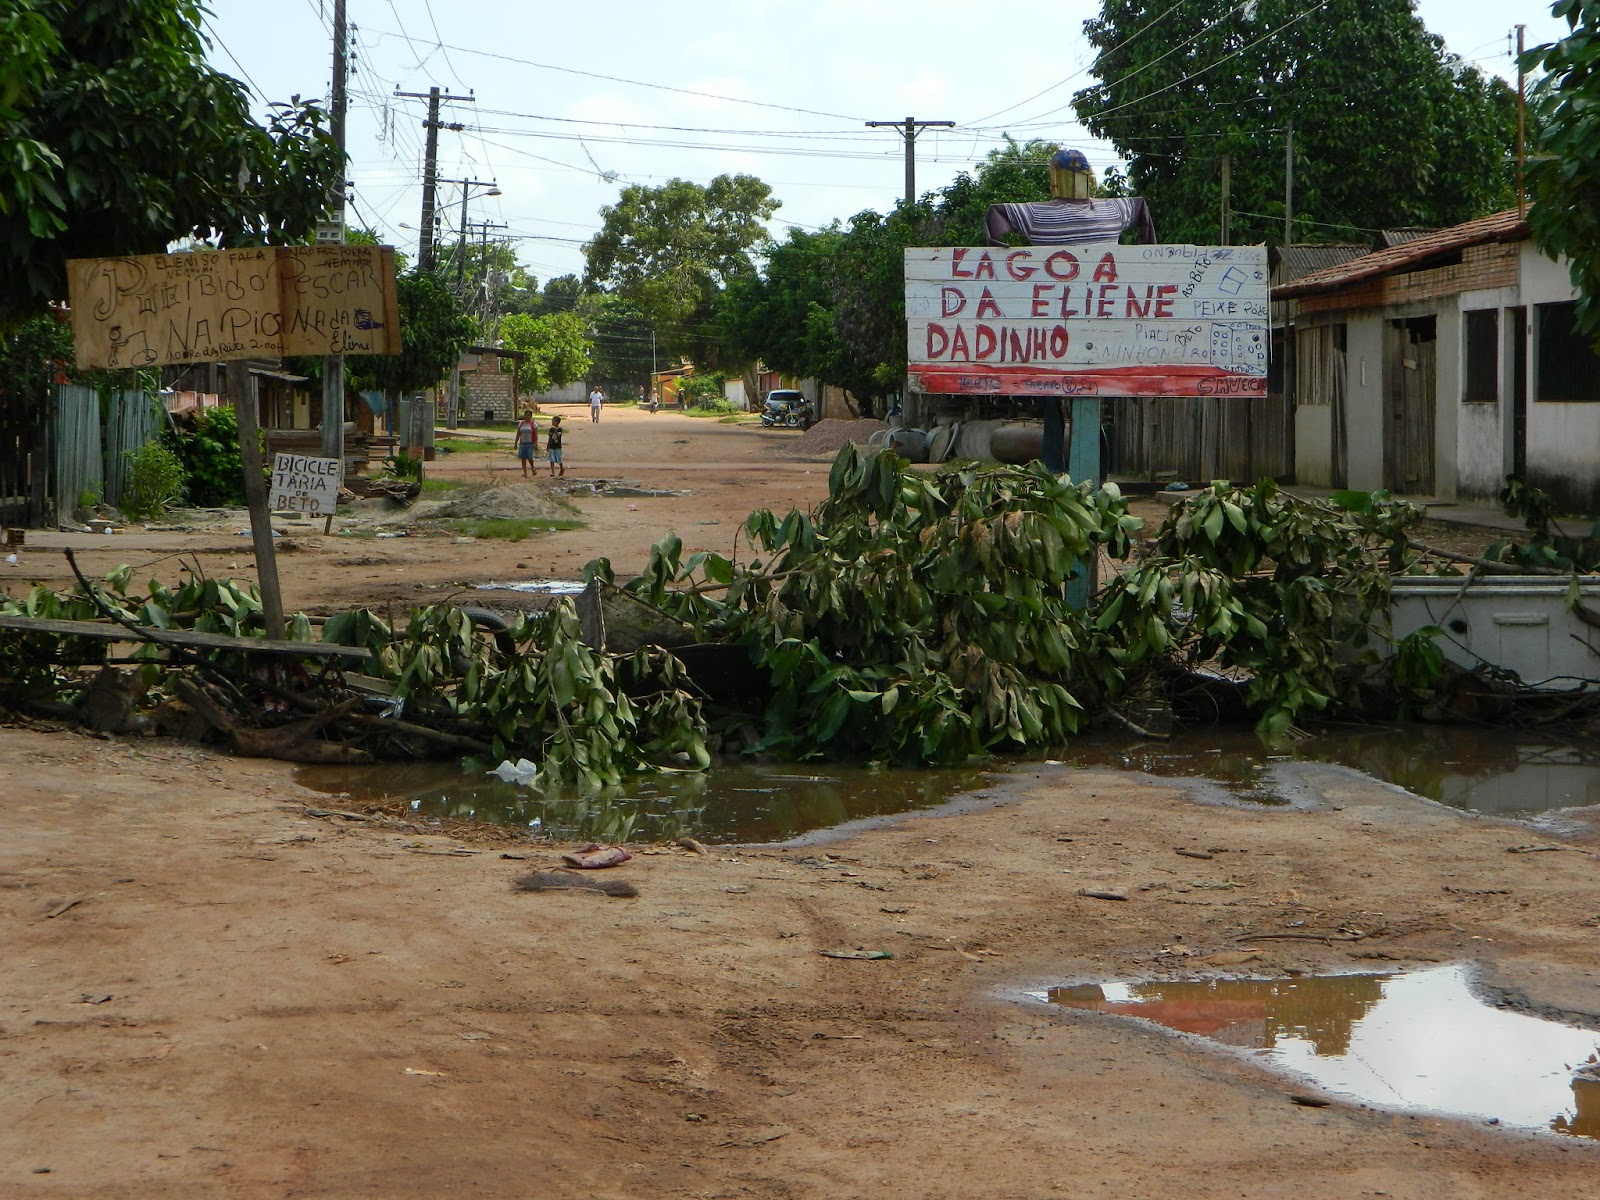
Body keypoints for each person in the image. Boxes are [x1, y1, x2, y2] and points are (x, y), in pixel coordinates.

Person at [513, 410, 538, 479]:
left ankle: (532, 467)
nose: (527, 417)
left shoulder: (534, 424)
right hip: (522, 443)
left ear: (531, 416)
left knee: (530, 457)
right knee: (523, 458)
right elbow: (518, 434)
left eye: (528, 415)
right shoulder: (521, 424)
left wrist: (536, 444)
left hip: (530, 443)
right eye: (525, 415)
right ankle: (525, 472)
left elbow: (536, 435)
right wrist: (515, 443)